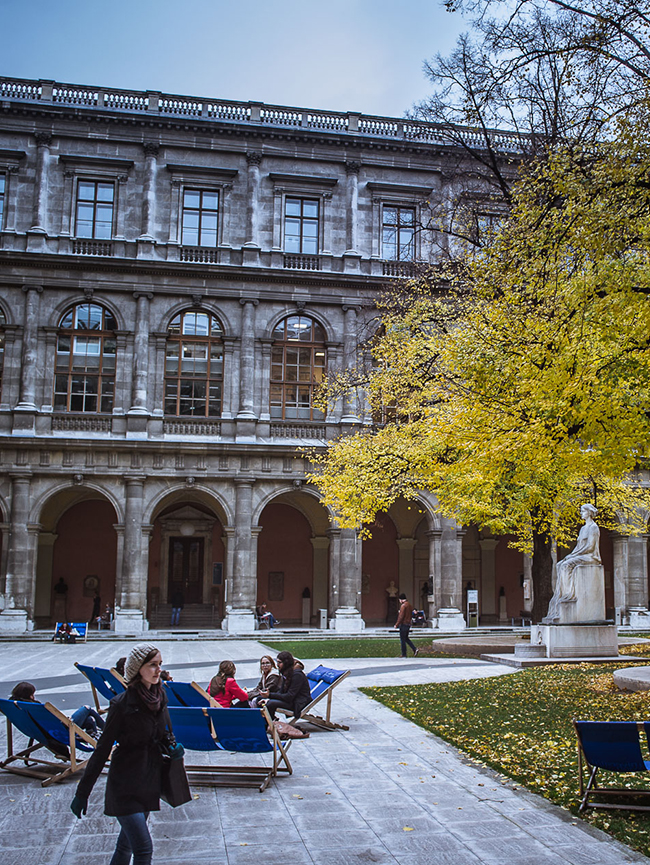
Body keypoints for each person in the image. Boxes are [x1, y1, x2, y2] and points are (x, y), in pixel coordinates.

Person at [70, 643, 184, 865]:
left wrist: (172, 749)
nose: (158, 670)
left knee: (125, 847)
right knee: (143, 849)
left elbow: (163, 735)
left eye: (159, 664)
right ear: (137, 669)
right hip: (125, 782)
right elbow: (102, 750)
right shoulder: (121, 704)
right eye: (152, 665)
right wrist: (82, 792)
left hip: (149, 780)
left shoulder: (160, 698)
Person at [544, 503, 602, 622]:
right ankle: (562, 594)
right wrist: (570, 555)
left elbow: (590, 547)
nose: (581, 513)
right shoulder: (583, 528)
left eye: (583, 511)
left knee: (566, 565)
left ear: (589, 512)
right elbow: (578, 546)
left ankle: (569, 595)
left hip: (591, 557)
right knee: (560, 564)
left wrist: (574, 556)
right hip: (581, 555)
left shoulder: (593, 527)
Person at [9, 681, 105, 738]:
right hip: (62, 730)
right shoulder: (36, 707)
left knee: (89, 719)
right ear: (30, 695)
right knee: (86, 708)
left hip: (46, 731)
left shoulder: (14, 706)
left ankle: (93, 735)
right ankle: (108, 730)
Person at [259, 651, 311, 720]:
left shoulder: (297, 675)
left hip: (297, 703)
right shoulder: (287, 672)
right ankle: (267, 722)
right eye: (277, 662)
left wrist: (269, 696)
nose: (277, 665)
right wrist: (268, 698)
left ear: (286, 663)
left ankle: (269, 725)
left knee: (270, 704)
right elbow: (281, 691)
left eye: (279, 662)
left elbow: (289, 696)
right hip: (291, 700)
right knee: (260, 699)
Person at [395, 593, 419, 658]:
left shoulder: (403, 606)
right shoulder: (409, 605)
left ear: (401, 600)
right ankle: (414, 649)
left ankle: (404, 654)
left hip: (403, 624)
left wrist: (397, 624)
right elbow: (413, 612)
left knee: (402, 640)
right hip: (408, 624)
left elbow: (401, 616)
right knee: (406, 638)